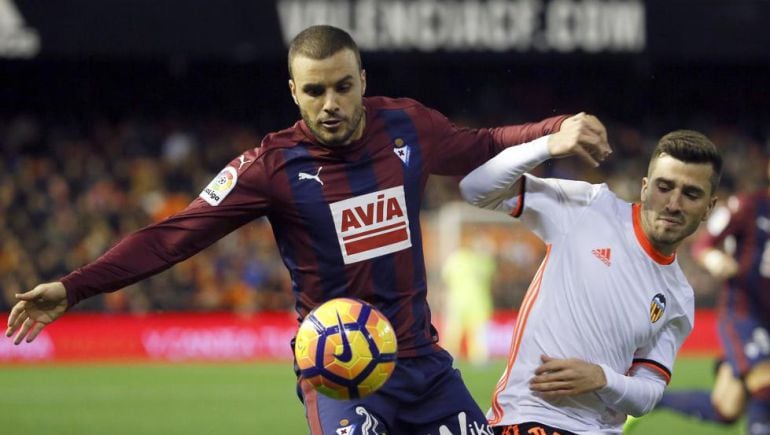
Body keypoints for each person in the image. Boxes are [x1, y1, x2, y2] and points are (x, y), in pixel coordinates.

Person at [4, 25, 607, 435]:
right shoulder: (268, 167)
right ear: (294, 92)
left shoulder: (407, 127)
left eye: (343, 87)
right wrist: (75, 286)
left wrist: (557, 127)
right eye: (314, 91)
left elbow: (482, 145)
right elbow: (174, 235)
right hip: (340, 375)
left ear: (362, 81)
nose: (330, 104)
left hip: (423, 365)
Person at [459, 129, 722, 434]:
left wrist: (601, 378)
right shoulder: (588, 208)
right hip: (533, 418)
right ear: (646, 187)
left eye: (691, 194)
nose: (674, 204)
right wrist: (547, 145)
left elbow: (649, 391)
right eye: (665, 187)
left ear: (709, 208)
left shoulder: (678, 296)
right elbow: (475, 187)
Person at [640, 160, 770, 435]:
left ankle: (649, 401)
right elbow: (704, 243)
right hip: (745, 313)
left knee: (727, 408)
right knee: (765, 382)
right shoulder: (746, 206)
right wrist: (714, 258)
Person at [441, 233, 497, 366]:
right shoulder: (483, 260)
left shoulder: (455, 258)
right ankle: (479, 360)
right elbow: (491, 276)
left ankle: (450, 358)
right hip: (476, 303)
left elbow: (446, 278)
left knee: (456, 332)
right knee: (475, 333)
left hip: (459, 301)